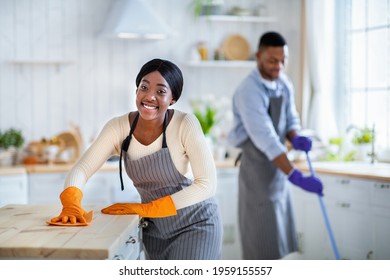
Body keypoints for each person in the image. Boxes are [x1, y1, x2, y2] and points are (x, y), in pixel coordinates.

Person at [50, 58, 223, 260]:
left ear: (173, 98)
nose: (149, 96)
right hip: (154, 231)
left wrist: (148, 208)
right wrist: (71, 201)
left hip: (195, 224)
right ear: (136, 90)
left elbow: (207, 185)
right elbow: (82, 168)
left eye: (160, 91)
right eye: (144, 87)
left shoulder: (185, 124)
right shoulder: (118, 127)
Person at [228, 32, 323, 260]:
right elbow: (267, 139)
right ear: (259, 56)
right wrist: (296, 176)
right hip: (257, 173)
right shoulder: (249, 91)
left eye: (283, 60)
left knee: (281, 243)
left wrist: (295, 136)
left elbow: (290, 119)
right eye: (272, 60)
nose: (278, 66)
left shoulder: (283, 83)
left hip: (279, 172)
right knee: (261, 246)